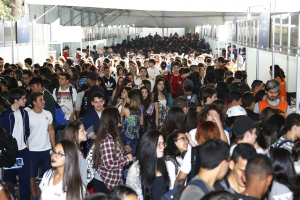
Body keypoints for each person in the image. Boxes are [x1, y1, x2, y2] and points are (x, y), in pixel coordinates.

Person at [86, 107, 133, 193]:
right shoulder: (107, 140)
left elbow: (112, 155)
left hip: (111, 181)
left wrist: (123, 150)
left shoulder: (112, 136)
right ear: (113, 120)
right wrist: (127, 159)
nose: (121, 118)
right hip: (105, 183)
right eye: (118, 116)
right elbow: (109, 165)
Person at [0, 88, 30, 200]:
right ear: (16, 100)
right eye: (23, 98)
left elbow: (27, 130)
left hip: (23, 152)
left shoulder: (24, 113)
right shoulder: (4, 116)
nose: (26, 100)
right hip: (9, 154)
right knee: (9, 183)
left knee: (25, 181)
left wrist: (27, 144)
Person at [126, 130, 170, 200]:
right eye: (159, 144)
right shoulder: (136, 169)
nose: (163, 147)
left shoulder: (164, 163)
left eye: (163, 144)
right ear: (148, 146)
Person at [27, 92, 55, 200]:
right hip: (32, 150)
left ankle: (44, 195)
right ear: (34, 103)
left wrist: (54, 147)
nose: (44, 102)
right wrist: (27, 148)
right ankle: (34, 196)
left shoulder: (48, 114)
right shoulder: (28, 115)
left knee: (47, 175)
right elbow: (26, 134)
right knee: (32, 175)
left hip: (46, 149)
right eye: (40, 100)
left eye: (43, 99)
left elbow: (51, 130)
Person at [53, 72, 77, 141]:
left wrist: (72, 115)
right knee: (61, 138)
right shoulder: (56, 90)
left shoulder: (72, 90)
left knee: (71, 138)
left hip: (70, 118)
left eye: (62, 79)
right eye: (59, 78)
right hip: (60, 119)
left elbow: (75, 104)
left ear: (67, 81)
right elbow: (54, 105)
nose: (60, 80)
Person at [64, 121, 88, 186]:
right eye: (82, 130)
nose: (86, 132)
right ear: (74, 134)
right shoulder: (73, 153)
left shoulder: (73, 150)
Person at [120, 90, 143, 157]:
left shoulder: (125, 110)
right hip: (135, 137)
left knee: (125, 158)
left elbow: (118, 121)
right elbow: (141, 123)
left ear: (130, 99)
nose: (126, 98)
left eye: (127, 97)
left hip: (126, 138)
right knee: (132, 158)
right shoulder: (139, 110)